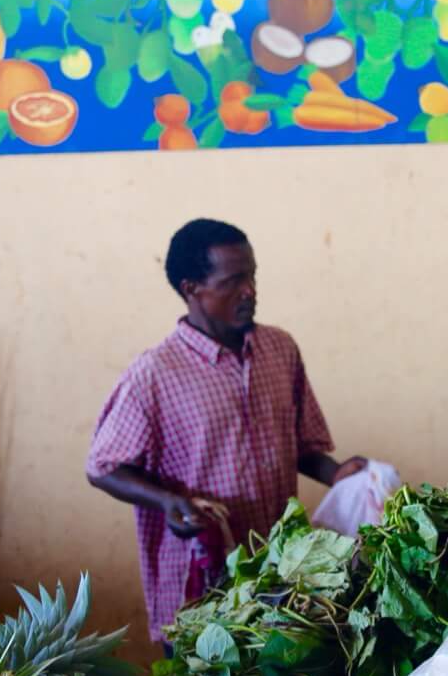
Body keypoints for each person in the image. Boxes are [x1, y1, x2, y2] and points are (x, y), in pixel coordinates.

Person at [87, 218, 367, 643]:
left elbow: (300, 443)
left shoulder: (279, 350)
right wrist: (167, 500)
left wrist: (334, 475)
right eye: (233, 281)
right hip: (200, 577)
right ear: (191, 289)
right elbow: (102, 466)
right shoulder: (155, 373)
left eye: (252, 276)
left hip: (280, 570)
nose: (250, 291)